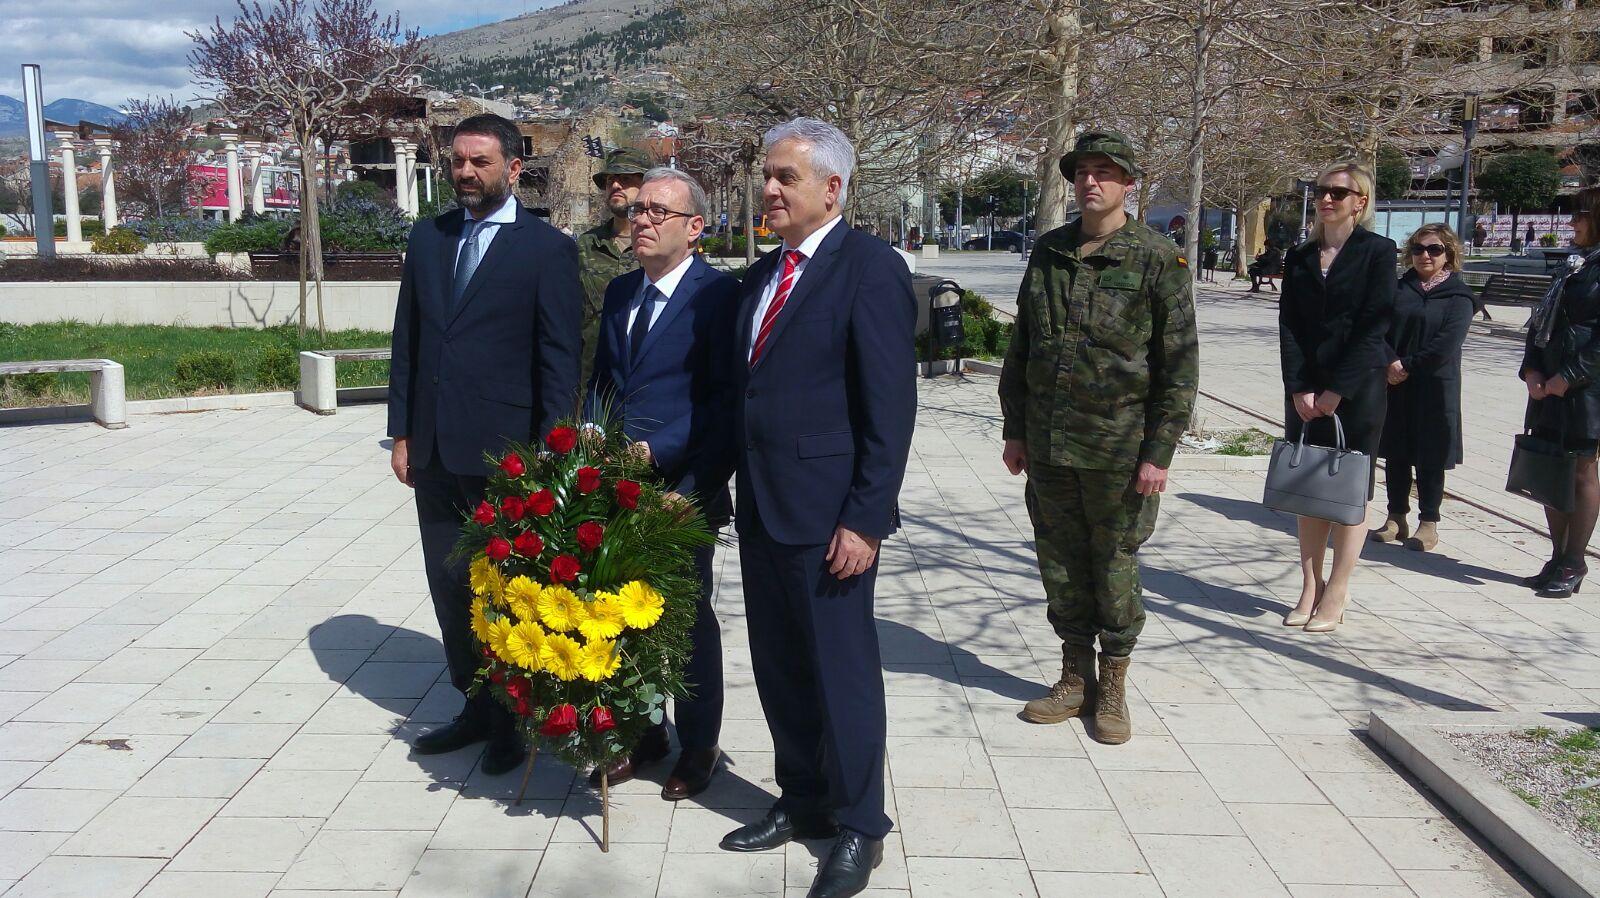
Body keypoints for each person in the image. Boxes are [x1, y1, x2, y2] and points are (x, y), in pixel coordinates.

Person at [716, 118, 916, 898]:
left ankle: (861, 826)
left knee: (842, 675)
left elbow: (888, 406)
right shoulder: (765, 274)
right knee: (781, 667)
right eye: (766, 174)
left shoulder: (867, 268)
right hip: (764, 508)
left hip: (831, 517)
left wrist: (866, 517)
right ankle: (801, 799)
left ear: (832, 188)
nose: (768, 189)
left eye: (785, 177)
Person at [387, 114, 583, 772]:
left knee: (504, 590)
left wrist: (552, 455)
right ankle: (473, 704)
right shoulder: (429, 238)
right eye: (458, 161)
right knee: (450, 585)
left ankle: (512, 718)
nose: (466, 173)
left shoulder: (547, 252)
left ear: (513, 169)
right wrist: (403, 432)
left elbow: (558, 361)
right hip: (436, 449)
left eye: (480, 162)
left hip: (508, 454)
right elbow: (408, 344)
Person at [998, 130, 1199, 745]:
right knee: (1059, 565)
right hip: (1051, 444)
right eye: (1083, 171)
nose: (1091, 182)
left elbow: (1179, 365)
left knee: (1113, 567)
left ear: (1129, 184)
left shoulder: (1158, 258)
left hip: (1119, 450)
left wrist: (1158, 453)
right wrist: (1015, 427)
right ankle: (1073, 678)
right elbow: (1023, 344)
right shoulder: (1050, 252)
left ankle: (1112, 688)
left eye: (1105, 172)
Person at [584, 167, 740, 800]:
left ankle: (699, 744)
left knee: (684, 618)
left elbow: (725, 404)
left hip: (684, 488)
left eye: (657, 211)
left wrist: (668, 453)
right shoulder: (622, 293)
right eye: (637, 210)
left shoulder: (719, 297)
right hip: (618, 487)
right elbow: (603, 381)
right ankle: (643, 732)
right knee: (623, 613)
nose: (641, 220)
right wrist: (592, 431)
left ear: (694, 227)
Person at [1278, 162, 1396, 633]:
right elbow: (1289, 325)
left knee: (1348, 490)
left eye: (1338, 193)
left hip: (1357, 387)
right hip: (1307, 388)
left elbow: (1376, 325)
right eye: (1322, 191)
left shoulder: (1378, 252)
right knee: (1309, 488)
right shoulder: (1302, 256)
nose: (1327, 199)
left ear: (1360, 202)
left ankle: (1338, 590)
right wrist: (1300, 387)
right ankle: (1310, 585)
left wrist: (1337, 390)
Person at [1372, 224, 1474, 552]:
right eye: (1418, 249)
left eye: (1434, 249)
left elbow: (1447, 343)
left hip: (1435, 386)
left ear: (1449, 254)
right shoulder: (1399, 289)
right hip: (1396, 384)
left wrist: (1407, 365)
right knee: (1397, 453)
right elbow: (1378, 329)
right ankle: (1395, 516)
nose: (1425, 256)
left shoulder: (1458, 296)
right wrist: (1390, 362)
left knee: (1431, 456)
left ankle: (1429, 522)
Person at [1519, 185, 1600, 597]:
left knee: (1582, 468)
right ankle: (1556, 554)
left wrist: (1569, 374)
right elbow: (1540, 320)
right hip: (1548, 380)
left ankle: (1575, 560)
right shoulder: (1572, 264)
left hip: (1586, 387)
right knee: (1551, 465)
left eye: (1579, 216)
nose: (1572, 223)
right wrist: (1531, 368)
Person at [577, 148, 650, 378]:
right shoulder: (586, 245)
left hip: (646, 378)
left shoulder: (659, 246)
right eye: (610, 180)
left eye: (626, 179)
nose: (616, 186)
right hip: (592, 382)